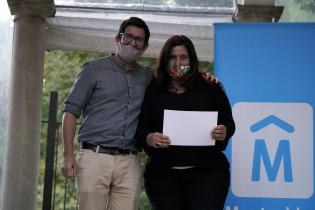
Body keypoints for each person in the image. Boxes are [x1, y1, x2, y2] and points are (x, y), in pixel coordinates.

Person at [61, 17, 152, 210]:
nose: (133, 42)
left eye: (139, 40)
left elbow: (175, 86)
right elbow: (70, 111)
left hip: (130, 161)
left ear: (145, 47)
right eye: (128, 37)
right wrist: (67, 155)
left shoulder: (148, 76)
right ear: (117, 39)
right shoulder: (93, 69)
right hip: (94, 157)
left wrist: (204, 77)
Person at [136, 35, 235, 210]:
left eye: (183, 57)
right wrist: (150, 137)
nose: (178, 62)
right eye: (172, 57)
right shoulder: (154, 89)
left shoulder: (210, 86)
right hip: (162, 176)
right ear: (165, 60)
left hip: (208, 174)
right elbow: (142, 128)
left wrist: (224, 130)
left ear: (192, 59)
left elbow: (229, 122)